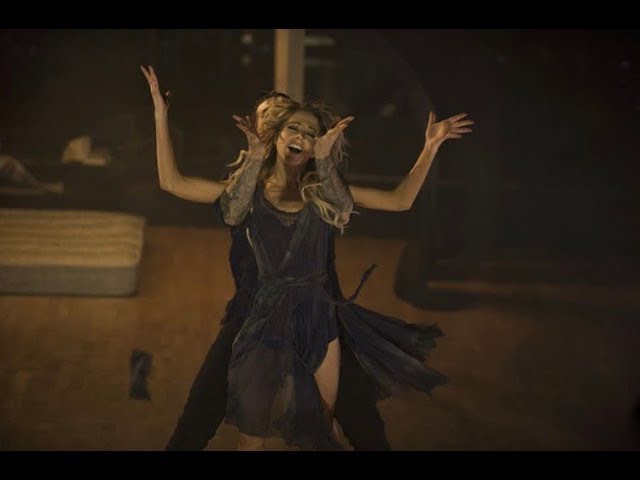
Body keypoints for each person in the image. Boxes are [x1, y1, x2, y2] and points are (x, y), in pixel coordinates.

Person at [142, 65, 473, 450]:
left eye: (285, 115)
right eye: (271, 116)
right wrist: (160, 116)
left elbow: (399, 200)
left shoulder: (322, 191)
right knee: (201, 416)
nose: (279, 121)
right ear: (265, 130)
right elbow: (174, 182)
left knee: (359, 422)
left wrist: (430, 146)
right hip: (252, 315)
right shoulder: (243, 190)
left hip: (319, 314)